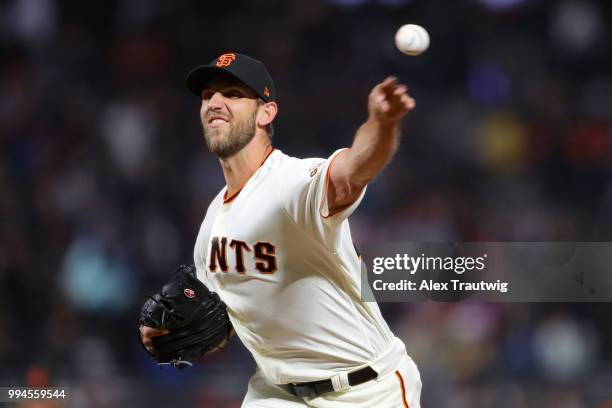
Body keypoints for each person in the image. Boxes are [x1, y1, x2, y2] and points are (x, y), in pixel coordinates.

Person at [141, 52, 422, 407]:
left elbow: (354, 169)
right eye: (208, 95)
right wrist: (171, 330)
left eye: (232, 94)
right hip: (276, 394)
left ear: (266, 112)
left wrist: (382, 123)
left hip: (365, 389)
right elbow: (220, 324)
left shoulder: (290, 183)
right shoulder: (212, 223)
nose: (215, 102)